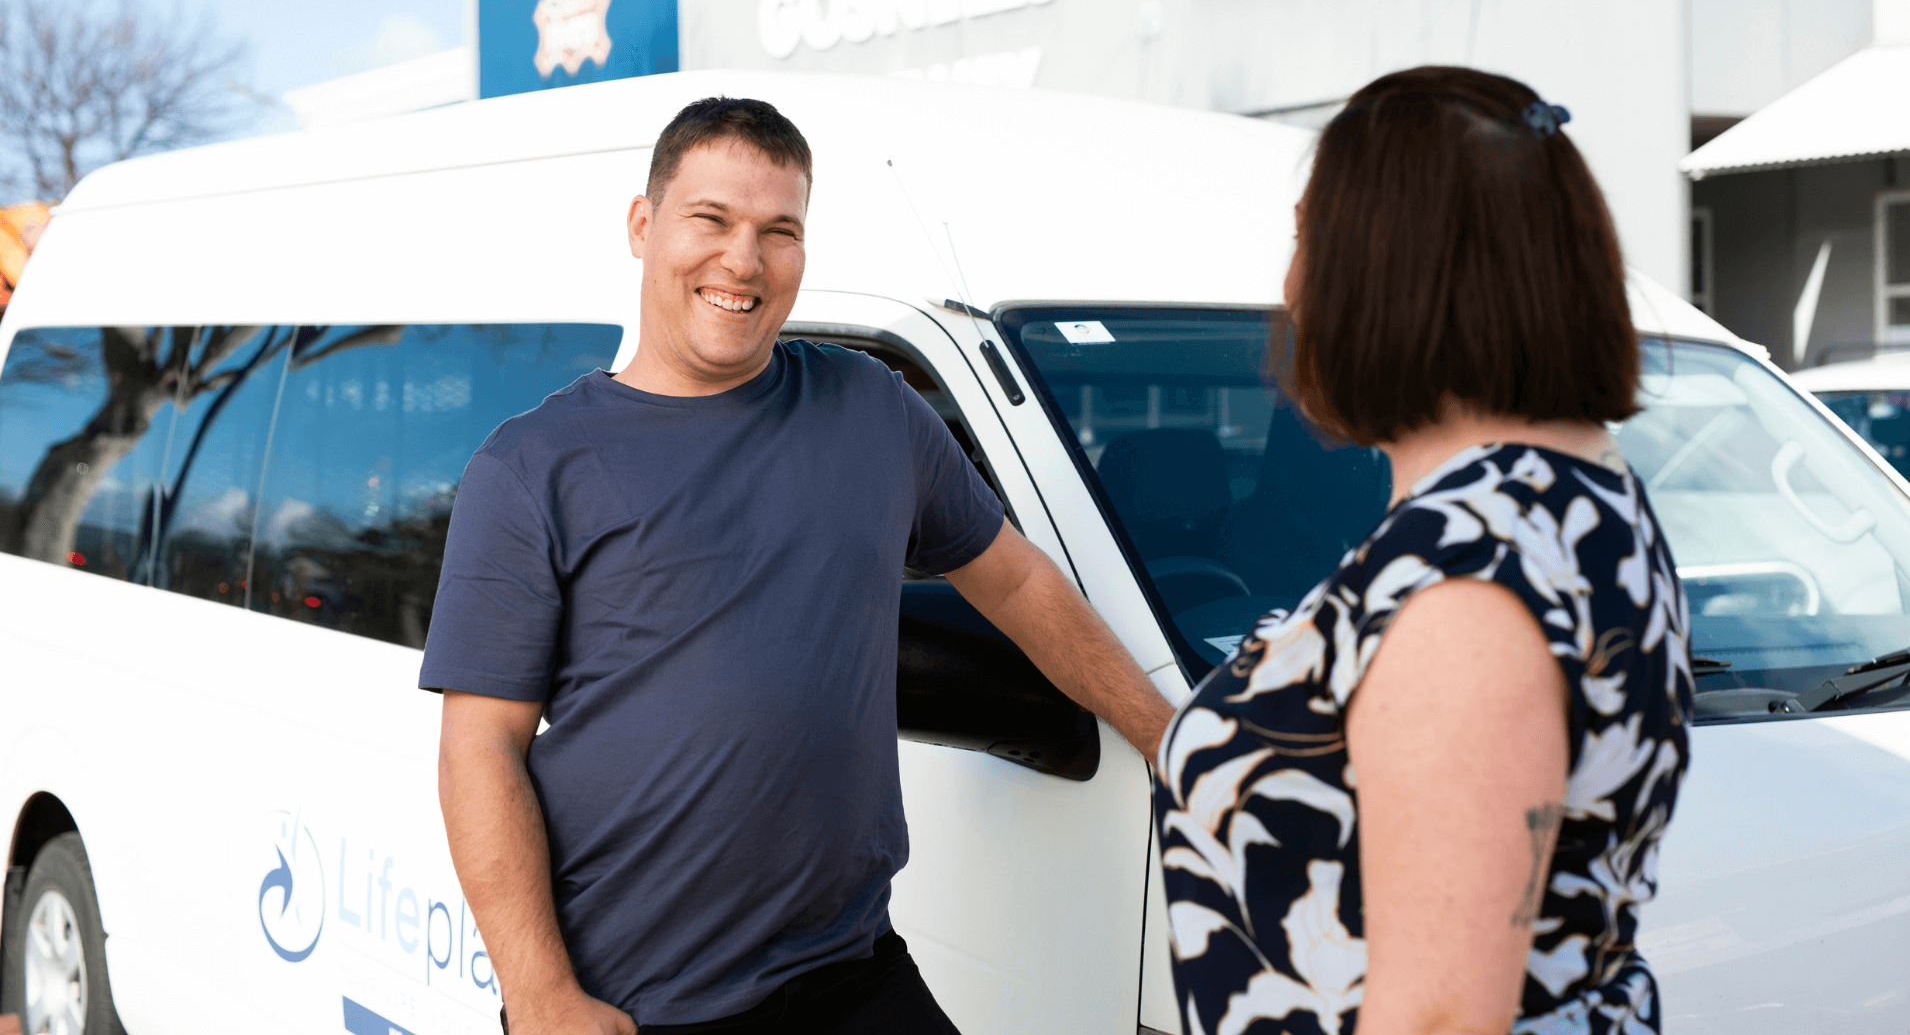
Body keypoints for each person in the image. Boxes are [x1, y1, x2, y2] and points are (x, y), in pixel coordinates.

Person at [422, 96, 1175, 1035]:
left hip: (851, 970)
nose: (744, 260)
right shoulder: (531, 468)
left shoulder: (874, 412)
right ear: (642, 226)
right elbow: (479, 748)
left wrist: (1168, 736)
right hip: (642, 1003)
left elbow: (1016, 581)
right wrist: (540, 999)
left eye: (780, 230)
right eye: (713, 220)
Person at [1153, 67, 1693, 1035]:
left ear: (1388, 270)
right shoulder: (1571, 505)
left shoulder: (1465, 571)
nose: (1286, 285)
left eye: (1306, 238)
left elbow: (1438, 1018)